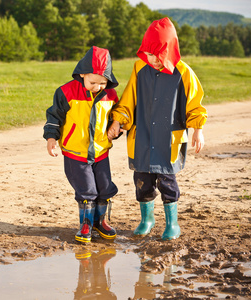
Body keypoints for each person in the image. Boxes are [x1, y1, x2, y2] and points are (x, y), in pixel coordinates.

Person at [108, 17, 207, 241]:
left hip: (167, 142)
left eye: (156, 55)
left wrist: (198, 129)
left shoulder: (184, 73)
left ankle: (172, 224)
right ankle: (147, 220)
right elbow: (128, 100)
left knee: (167, 183)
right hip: (141, 138)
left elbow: (195, 104)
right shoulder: (139, 67)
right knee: (142, 182)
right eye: (148, 54)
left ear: (168, 50)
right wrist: (117, 121)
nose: (152, 60)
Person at [43, 46, 120, 243]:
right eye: (92, 82)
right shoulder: (66, 92)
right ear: (82, 74)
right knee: (87, 189)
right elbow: (54, 116)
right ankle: (85, 223)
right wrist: (52, 138)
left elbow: (115, 120)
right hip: (75, 152)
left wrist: (116, 130)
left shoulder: (111, 95)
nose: (97, 87)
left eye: (102, 83)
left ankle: (100, 221)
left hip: (101, 151)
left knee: (105, 187)